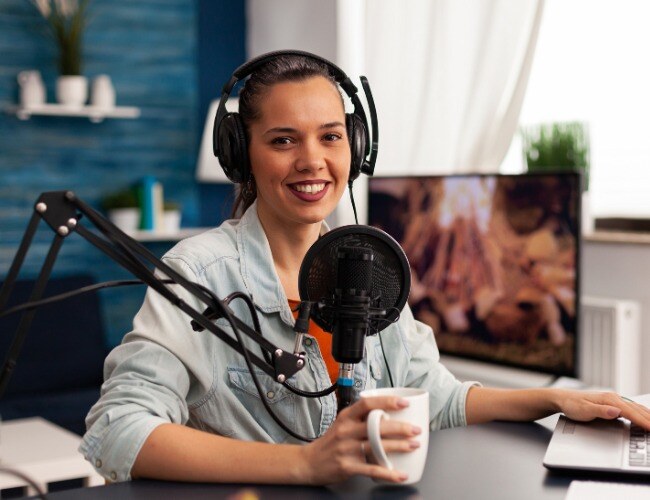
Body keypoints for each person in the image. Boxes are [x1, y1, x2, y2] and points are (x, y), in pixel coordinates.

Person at [80, 51, 650, 486]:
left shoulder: (366, 262)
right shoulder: (199, 273)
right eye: (283, 140)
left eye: (330, 136)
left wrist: (556, 402)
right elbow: (118, 431)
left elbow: (438, 396)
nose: (313, 161)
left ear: (355, 145)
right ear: (240, 153)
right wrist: (304, 464)